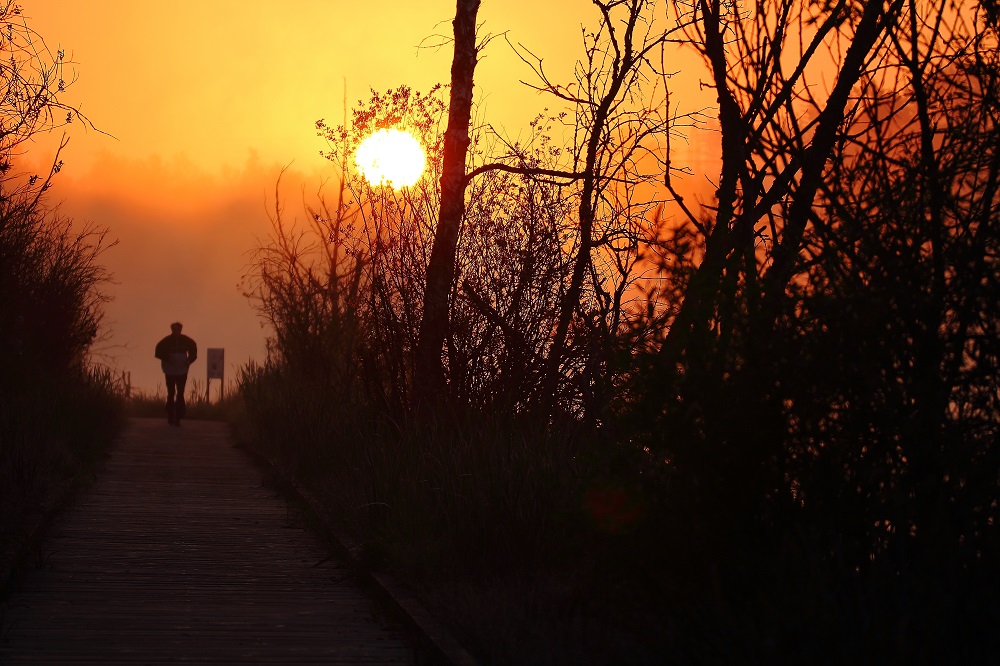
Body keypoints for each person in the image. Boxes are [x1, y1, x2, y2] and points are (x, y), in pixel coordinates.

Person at [154, 322, 197, 426]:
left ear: (181, 330)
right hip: (170, 369)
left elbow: (193, 353)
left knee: (180, 392)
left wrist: (188, 361)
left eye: (178, 330)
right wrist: (167, 358)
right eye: (174, 330)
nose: (176, 332)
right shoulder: (165, 341)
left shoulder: (187, 341)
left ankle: (178, 416)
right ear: (171, 330)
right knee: (171, 392)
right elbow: (158, 352)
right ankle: (170, 415)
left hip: (182, 369)